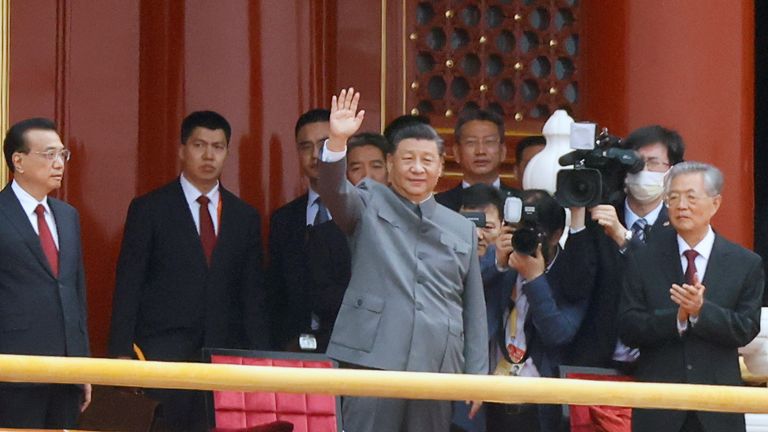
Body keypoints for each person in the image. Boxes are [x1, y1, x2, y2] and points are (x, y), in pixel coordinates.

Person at [319, 88, 488, 432]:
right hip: (374, 357)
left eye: (427, 160)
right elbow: (334, 192)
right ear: (391, 163)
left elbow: (473, 307)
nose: (417, 168)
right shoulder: (367, 202)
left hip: (437, 363)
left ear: (441, 167)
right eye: (408, 159)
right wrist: (337, 141)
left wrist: (477, 374)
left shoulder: (460, 227)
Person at [108, 111, 269, 431]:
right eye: (199, 145)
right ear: (182, 149)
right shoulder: (149, 208)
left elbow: (253, 295)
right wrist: (120, 352)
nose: (208, 155)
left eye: (218, 147)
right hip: (162, 354)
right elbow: (129, 282)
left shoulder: (244, 216)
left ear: (227, 152)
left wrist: (261, 358)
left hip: (225, 355)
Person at [618, 161, 763, 432]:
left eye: (691, 197)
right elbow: (628, 326)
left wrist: (700, 312)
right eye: (673, 197)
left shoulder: (745, 263)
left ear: (715, 203)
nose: (681, 205)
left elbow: (746, 328)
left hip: (718, 408)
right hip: (659, 408)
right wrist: (677, 319)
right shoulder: (643, 260)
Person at [469, 191, 595, 432]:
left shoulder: (573, 272)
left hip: (540, 405)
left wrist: (535, 279)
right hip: (491, 397)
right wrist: (498, 262)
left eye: (535, 233)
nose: (525, 240)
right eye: (517, 231)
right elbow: (463, 287)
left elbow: (559, 334)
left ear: (557, 235)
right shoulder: (499, 261)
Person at [569, 125, 685, 369]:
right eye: (635, 162)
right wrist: (578, 221)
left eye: (653, 163)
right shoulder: (600, 217)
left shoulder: (683, 224)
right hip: (598, 362)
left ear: (672, 171)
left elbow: (666, 286)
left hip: (658, 364)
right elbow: (573, 286)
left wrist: (624, 239)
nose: (642, 170)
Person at [0, 118, 90, 428]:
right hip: (13, 370)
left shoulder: (67, 216)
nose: (58, 163)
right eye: (49, 154)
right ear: (19, 161)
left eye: (62, 154)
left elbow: (75, 294)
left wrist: (83, 367)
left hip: (65, 372)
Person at [267, 109, 350, 353]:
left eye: (325, 144)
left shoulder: (364, 211)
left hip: (353, 350)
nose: (315, 155)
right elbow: (276, 295)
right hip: (296, 351)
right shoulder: (283, 219)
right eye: (305, 147)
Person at [436, 109, 520, 211]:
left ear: (503, 151)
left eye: (489, 142)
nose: (480, 151)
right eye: (471, 142)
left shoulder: (520, 202)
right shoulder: (438, 206)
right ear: (457, 152)